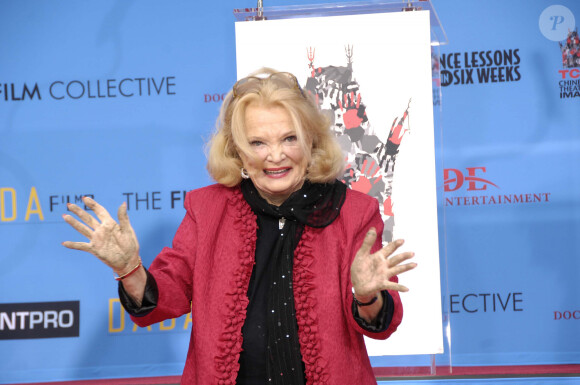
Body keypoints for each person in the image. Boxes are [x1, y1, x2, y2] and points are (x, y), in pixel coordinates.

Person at [62, 68, 417, 385]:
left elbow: (380, 323)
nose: (275, 156)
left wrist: (366, 295)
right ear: (236, 151)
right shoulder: (208, 208)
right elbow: (166, 297)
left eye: (289, 138)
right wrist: (129, 269)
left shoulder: (354, 212)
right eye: (258, 142)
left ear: (311, 141)